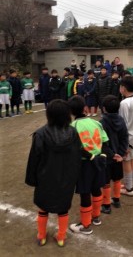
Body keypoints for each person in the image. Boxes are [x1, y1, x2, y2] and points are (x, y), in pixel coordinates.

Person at [25, 100, 81, 247]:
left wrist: (32, 179)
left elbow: (34, 160)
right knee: (63, 208)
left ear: (49, 114)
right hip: (66, 178)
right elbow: (77, 157)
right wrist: (75, 178)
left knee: (43, 207)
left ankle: (41, 236)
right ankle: (61, 237)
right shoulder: (73, 132)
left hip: (45, 178)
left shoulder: (41, 134)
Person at [69, 96, 109, 235]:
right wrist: (102, 156)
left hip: (84, 164)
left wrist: (90, 156)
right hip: (98, 162)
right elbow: (105, 142)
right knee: (96, 188)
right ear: (85, 108)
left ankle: (86, 225)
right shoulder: (96, 123)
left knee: (85, 193)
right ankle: (96, 217)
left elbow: (75, 149)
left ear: (71, 112)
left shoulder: (72, 127)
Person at [100, 95, 128, 214]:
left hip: (107, 157)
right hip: (118, 157)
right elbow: (125, 138)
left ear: (104, 108)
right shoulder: (121, 120)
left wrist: (112, 155)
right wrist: (120, 153)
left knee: (106, 181)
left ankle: (106, 205)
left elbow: (103, 143)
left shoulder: (102, 123)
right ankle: (116, 200)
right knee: (117, 178)